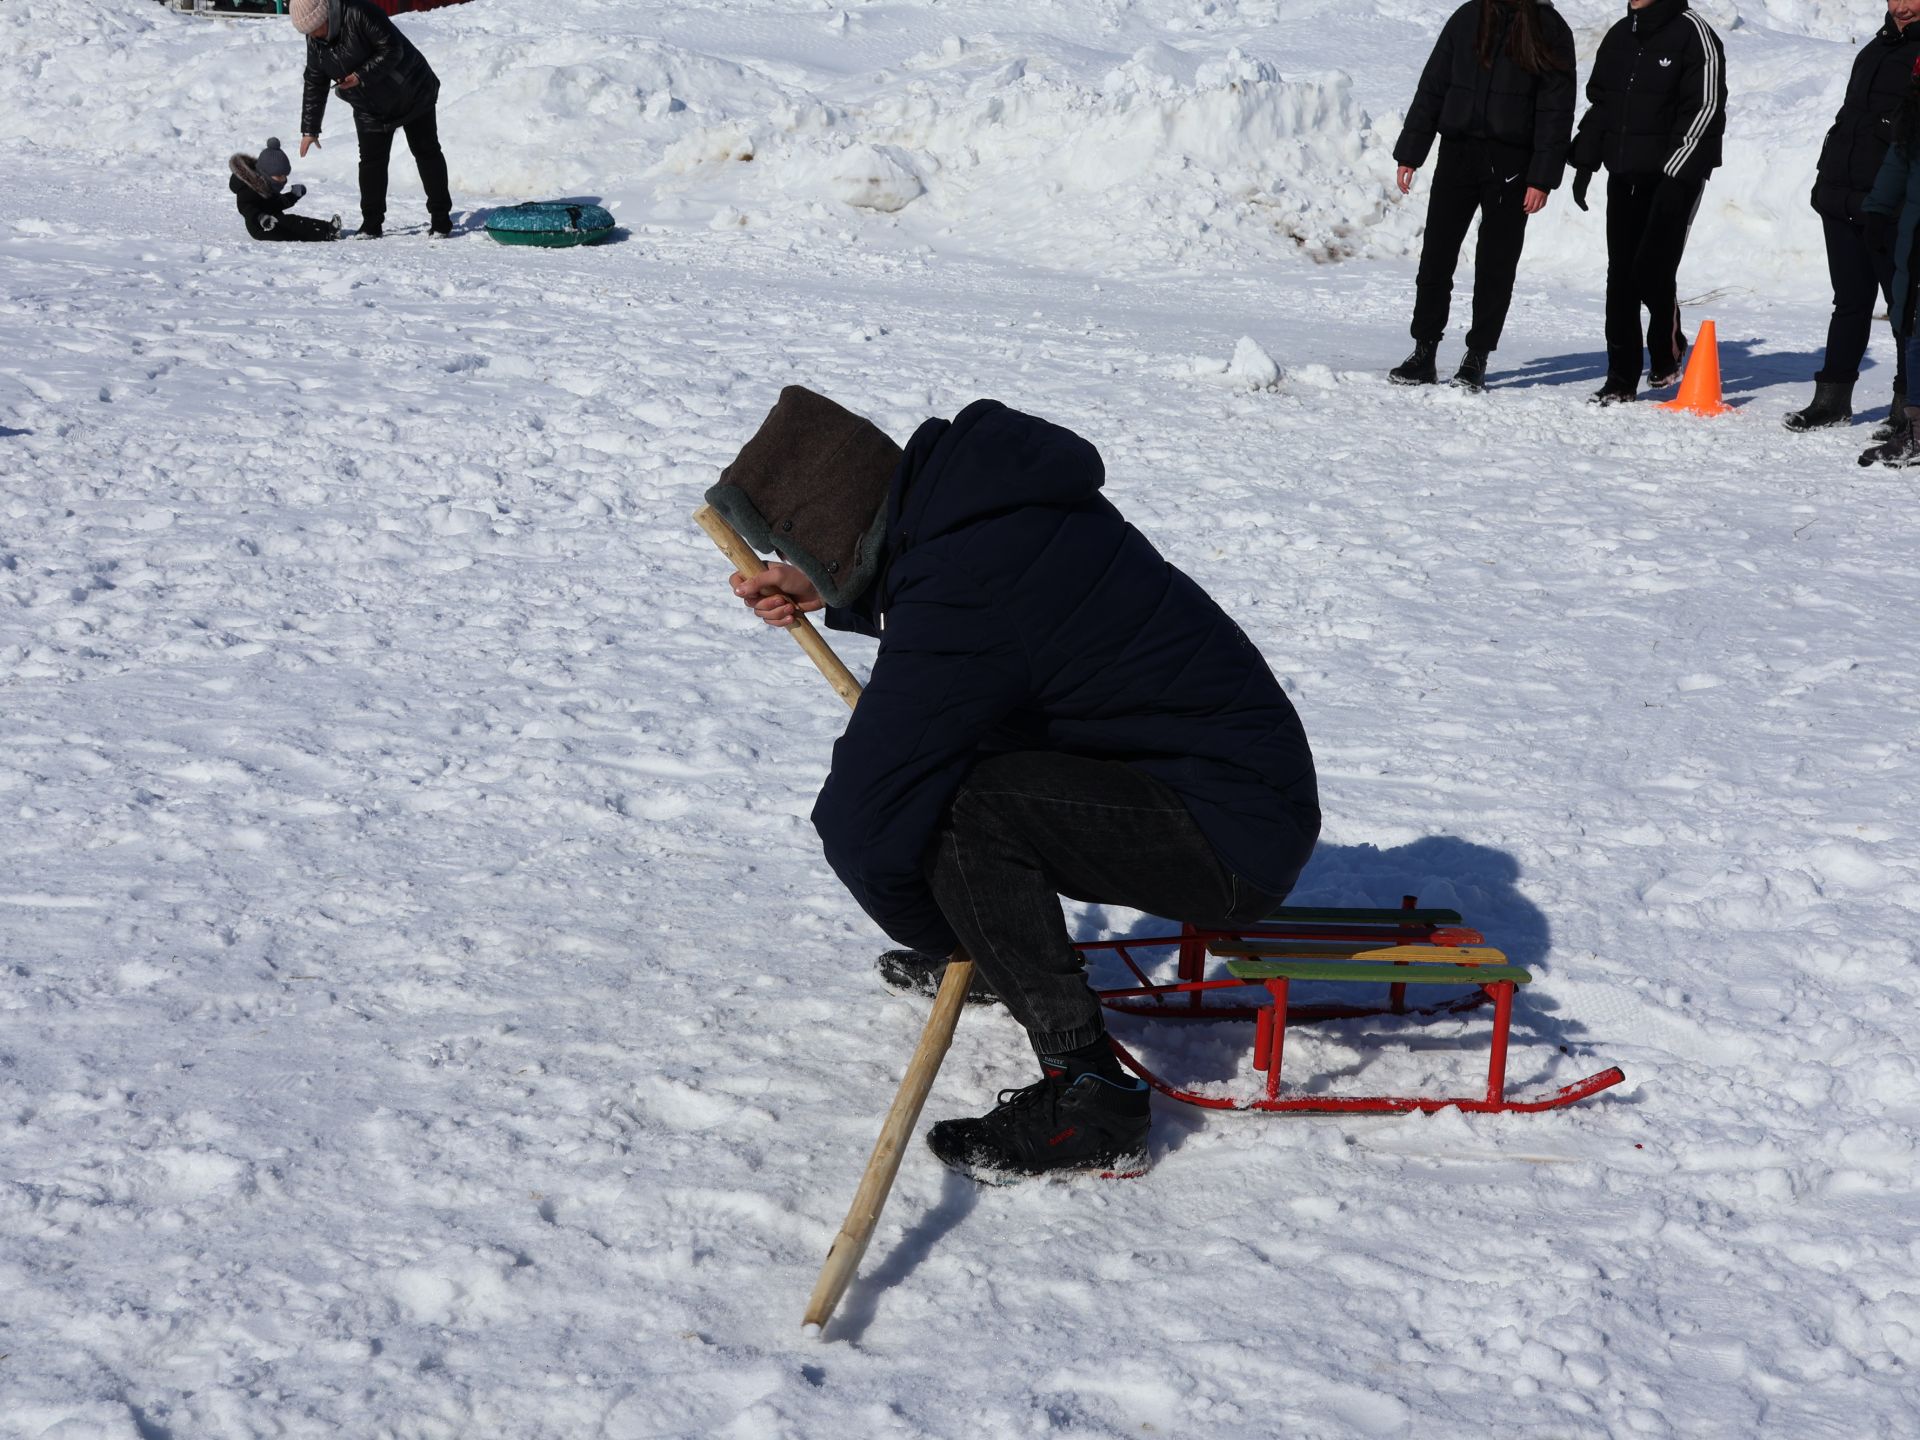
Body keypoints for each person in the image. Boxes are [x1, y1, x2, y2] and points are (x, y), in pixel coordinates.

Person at [710, 388, 1320, 1183]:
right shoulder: (987, 511)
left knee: (949, 800)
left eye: (797, 545)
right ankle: (1006, 955)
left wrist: (952, 934)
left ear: (831, 528)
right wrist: (833, 587)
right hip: (1230, 790)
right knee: (956, 756)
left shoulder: (963, 584)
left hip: (1227, 835)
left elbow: (861, 818)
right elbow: (980, 637)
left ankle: (1092, 1095)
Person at [1388, 0, 1577, 391]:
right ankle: (1424, 351)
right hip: (1457, 153)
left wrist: (1541, 177)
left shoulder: (1549, 28)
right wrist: (1411, 151)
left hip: (1512, 163)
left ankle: (1477, 356)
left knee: (1496, 265)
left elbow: (1556, 110)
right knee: (1436, 256)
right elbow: (1433, 85)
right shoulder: (1468, 17)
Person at [1570, 0, 1727, 405]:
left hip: (1676, 175)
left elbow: (1706, 108)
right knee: (1620, 274)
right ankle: (1620, 379)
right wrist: (1587, 158)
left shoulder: (1695, 34)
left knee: (1650, 267)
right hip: (1625, 172)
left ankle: (1667, 346)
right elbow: (1603, 103)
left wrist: (1676, 171)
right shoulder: (1621, 34)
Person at [1789, 2, 1920, 433]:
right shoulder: (1876, 48)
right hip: (1841, 198)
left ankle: (1907, 408)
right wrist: (1826, 181)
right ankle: (1832, 399)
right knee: (1848, 303)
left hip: (1890, 207)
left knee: (1904, 310)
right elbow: (1849, 121)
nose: (1902, 7)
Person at [291, 0, 451, 239]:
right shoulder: (315, 37)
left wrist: (360, 76)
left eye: (314, 29)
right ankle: (371, 224)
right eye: (307, 32)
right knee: (371, 162)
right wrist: (309, 130)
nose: (313, 36)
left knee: (426, 152)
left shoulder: (360, 13)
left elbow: (392, 49)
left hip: (413, 90)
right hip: (369, 105)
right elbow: (315, 79)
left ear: (325, 16)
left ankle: (441, 220)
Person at [1858, 62, 1920, 465]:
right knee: (1912, 329)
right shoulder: (1913, 117)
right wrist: (1878, 212)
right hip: (1916, 241)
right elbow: (1898, 162)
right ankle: (1915, 433)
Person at [229, 137, 341, 243]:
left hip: (273, 219)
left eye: (284, 175)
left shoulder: (265, 186)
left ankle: (328, 228)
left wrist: (293, 195)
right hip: (261, 227)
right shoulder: (248, 189)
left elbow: (276, 204)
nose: (283, 179)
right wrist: (261, 217)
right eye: (279, 176)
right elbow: (246, 208)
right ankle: (327, 233)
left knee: (293, 221)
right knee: (291, 226)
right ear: (265, 174)